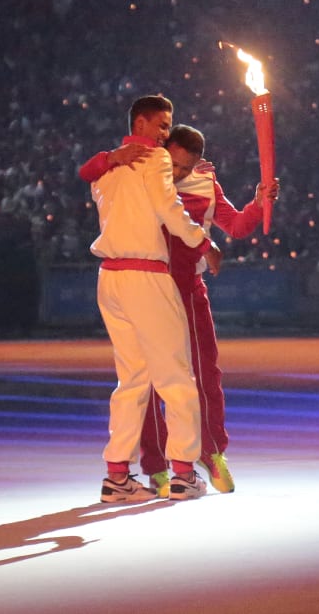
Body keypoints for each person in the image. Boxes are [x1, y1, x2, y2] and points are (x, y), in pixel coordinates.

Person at [80, 123, 279, 495]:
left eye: (187, 168)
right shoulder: (139, 171)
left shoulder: (204, 181)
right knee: (149, 380)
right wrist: (110, 158)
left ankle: (211, 454)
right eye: (175, 164)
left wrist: (258, 203)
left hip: (187, 288)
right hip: (149, 283)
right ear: (160, 148)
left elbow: (234, 225)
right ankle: (157, 466)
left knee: (204, 375)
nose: (180, 174)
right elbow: (90, 173)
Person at [88, 95, 221, 503]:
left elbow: (94, 178)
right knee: (177, 377)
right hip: (147, 276)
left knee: (132, 380)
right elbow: (169, 206)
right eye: (162, 126)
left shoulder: (108, 167)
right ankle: (183, 473)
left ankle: (117, 476)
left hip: (110, 277)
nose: (166, 135)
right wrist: (203, 243)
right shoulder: (156, 159)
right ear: (142, 124)